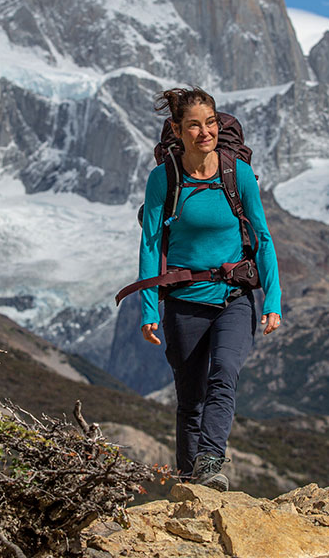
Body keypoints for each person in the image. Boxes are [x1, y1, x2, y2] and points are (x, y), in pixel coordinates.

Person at [137, 86, 282, 492]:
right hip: (184, 303)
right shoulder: (163, 179)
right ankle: (190, 483)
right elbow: (150, 244)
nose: (205, 132)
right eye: (195, 126)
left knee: (225, 374)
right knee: (190, 399)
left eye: (211, 123)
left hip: (235, 298)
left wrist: (273, 298)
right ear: (177, 130)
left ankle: (210, 461)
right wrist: (149, 309)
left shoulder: (238, 174)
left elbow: (264, 237)